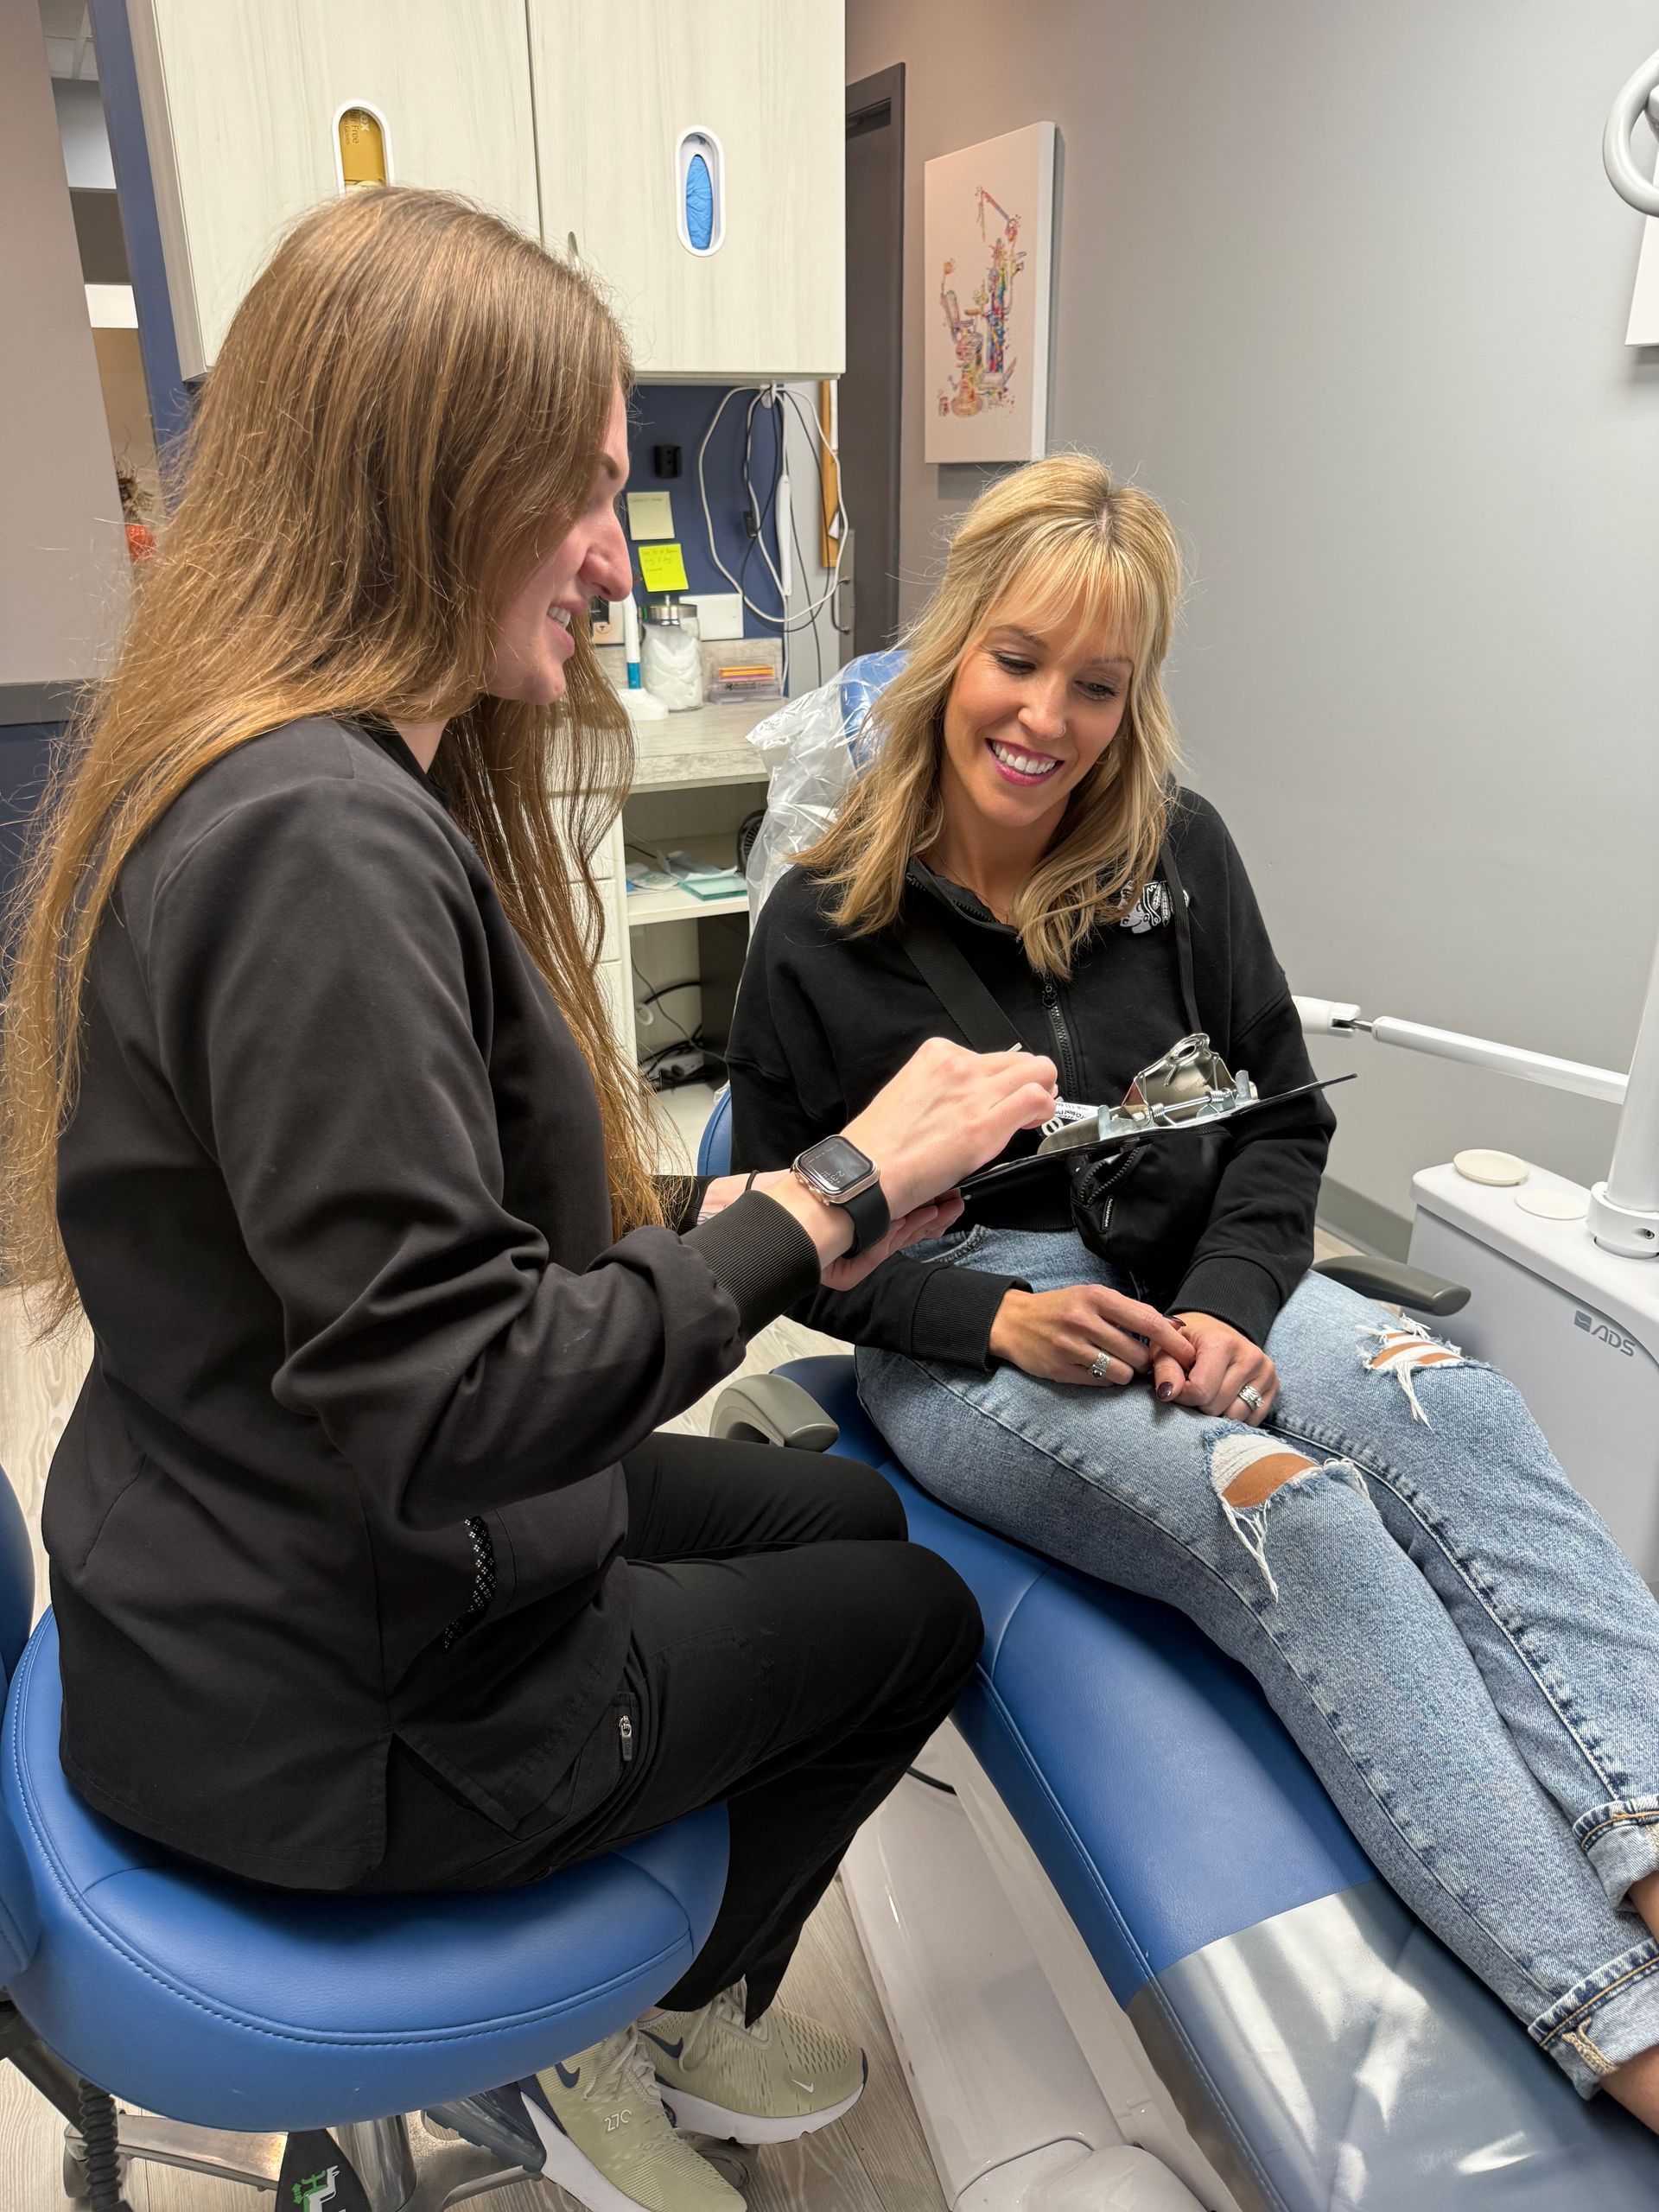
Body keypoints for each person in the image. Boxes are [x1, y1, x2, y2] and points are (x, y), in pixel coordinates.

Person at [0, 189, 1063, 2212]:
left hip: (261, 1566)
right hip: (348, 1711)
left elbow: (435, 1206)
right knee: (908, 1610)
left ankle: (648, 2012)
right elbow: (460, 1390)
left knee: (828, 1502)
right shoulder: (317, 838)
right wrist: (833, 1193)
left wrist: (733, 1198)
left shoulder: (286, 778)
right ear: (426, 475)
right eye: (577, 492)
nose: (612, 550)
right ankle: (600, 2055)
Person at [727, 451, 1659, 2126]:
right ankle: (1618, 2019)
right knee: (1283, 1508)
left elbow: (1284, 1118)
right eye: (1020, 660)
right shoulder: (817, 929)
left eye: (1099, 684)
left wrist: (1238, 1296)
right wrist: (991, 1316)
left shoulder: (1176, 858)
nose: (1048, 718)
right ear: (955, 650)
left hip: (1193, 1265)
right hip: (970, 1326)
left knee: (1455, 1399)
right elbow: (786, 1232)